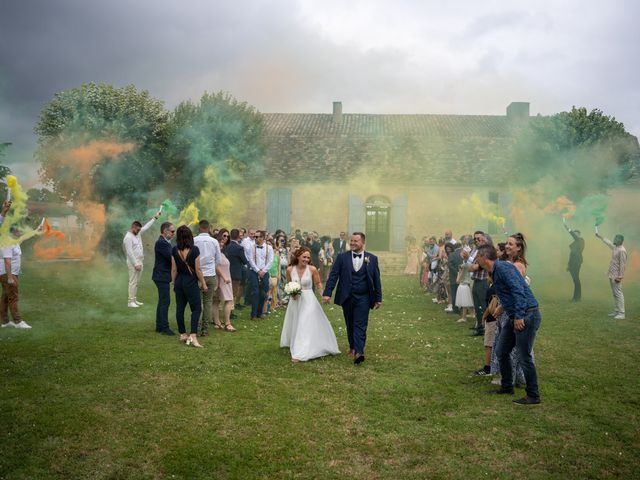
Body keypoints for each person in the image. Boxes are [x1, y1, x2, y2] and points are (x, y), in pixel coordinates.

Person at [475, 244, 541, 405]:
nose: (476, 259)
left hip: (527, 315)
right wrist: (502, 306)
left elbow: (519, 291)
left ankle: (533, 395)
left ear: (484, 257)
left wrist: (519, 316)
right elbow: (509, 292)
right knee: (501, 350)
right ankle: (506, 386)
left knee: (524, 355)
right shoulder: (496, 271)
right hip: (514, 315)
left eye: (478, 256)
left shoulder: (503, 268)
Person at [323, 232, 382, 365]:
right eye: (352, 241)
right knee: (350, 322)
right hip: (347, 296)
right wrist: (327, 293)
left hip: (364, 297)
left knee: (360, 324)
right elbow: (333, 275)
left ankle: (359, 352)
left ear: (363, 243)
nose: (353, 243)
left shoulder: (372, 258)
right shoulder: (342, 257)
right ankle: (352, 346)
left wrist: (378, 297)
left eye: (356, 241)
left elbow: (376, 279)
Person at [280, 247, 340, 362]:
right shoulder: (290, 269)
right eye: (304, 257)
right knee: (297, 321)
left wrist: (323, 295)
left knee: (304, 322)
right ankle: (296, 342)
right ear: (298, 256)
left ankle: (300, 351)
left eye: (308, 257)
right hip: (295, 301)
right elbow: (288, 284)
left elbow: (318, 284)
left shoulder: (312, 269)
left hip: (309, 300)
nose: (306, 259)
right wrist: (291, 293)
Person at [171, 225, 207, 348]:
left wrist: (174, 283)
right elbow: (197, 269)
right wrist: (203, 283)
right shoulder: (195, 249)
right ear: (190, 236)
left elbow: (174, 269)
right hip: (190, 281)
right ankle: (193, 336)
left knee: (180, 308)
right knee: (196, 309)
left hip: (179, 281)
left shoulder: (174, 249)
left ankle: (182, 334)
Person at [123, 211, 160, 307]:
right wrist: (136, 264)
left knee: (137, 282)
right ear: (133, 227)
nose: (139, 231)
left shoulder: (137, 233)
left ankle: (134, 300)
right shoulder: (128, 237)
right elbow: (129, 252)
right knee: (133, 282)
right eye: (138, 229)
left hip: (140, 261)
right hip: (133, 263)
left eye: (140, 229)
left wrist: (155, 218)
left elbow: (146, 227)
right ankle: (130, 302)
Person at [193, 219, 221, 336]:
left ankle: (197, 328)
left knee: (197, 303)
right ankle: (205, 330)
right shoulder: (214, 241)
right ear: (209, 228)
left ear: (200, 228)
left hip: (197, 275)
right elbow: (218, 259)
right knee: (208, 302)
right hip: (210, 275)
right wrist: (211, 267)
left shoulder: (194, 240)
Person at [0, 226, 31, 329]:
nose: (21, 231)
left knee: (5, 297)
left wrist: (36, 231)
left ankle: (5, 322)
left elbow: (24, 237)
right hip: (8, 274)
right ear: (13, 232)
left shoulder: (14, 241)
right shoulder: (8, 243)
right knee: (13, 297)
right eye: (19, 230)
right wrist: (9, 278)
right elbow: (7, 261)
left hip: (9, 273)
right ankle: (18, 322)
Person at [596, 231, 627, 320]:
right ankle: (617, 311)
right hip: (611, 274)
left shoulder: (622, 250)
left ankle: (622, 313)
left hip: (617, 275)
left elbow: (622, 265)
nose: (614, 239)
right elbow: (608, 243)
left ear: (620, 240)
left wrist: (620, 276)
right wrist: (600, 236)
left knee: (618, 293)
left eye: (616, 238)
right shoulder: (616, 247)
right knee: (615, 293)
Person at [151, 222, 175, 335]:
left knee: (162, 301)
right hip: (162, 276)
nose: (173, 233)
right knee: (165, 301)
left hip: (161, 275)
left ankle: (159, 326)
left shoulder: (164, 242)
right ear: (165, 231)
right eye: (172, 231)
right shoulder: (162, 243)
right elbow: (172, 258)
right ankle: (164, 327)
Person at [246, 230, 274, 320]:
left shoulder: (269, 248)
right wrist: (258, 271)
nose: (256, 238)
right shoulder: (251, 247)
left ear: (263, 238)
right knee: (255, 292)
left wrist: (264, 271)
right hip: (254, 271)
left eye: (258, 237)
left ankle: (260, 312)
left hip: (265, 272)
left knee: (263, 292)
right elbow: (250, 260)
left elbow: (270, 261)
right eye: (255, 237)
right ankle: (253, 314)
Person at [213, 229, 236, 331]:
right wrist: (224, 277)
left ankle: (217, 322)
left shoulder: (222, 252)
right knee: (228, 301)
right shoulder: (215, 249)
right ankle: (227, 323)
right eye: (224, 235)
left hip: (223, 279)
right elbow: (215, 266)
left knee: (216, 301)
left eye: (227, 236)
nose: (225, 238)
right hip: (222, 279)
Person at [226, 229, 248, 311]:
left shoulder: (226, 246)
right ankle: (230, 311)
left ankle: (227, 310)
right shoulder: (239, 248)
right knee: (233, 294)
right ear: (238, 236)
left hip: (226, 272)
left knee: (227, 293)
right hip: (236, 273)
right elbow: (244, 260)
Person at [564, 221, 584, 302]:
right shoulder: (574, 243)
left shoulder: (581, 240)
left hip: (577, 262)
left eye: (576, 234)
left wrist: (567, 228)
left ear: (579, 235)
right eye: (574, 234)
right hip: (572, 263)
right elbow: (571, 255)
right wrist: (569, 266)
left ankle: (577, 298)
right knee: (575, 280)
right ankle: (576, 298)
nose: (575, 235)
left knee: (576, 280)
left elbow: (573, 235)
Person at [455, 246, 473, 323]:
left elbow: (460, 276)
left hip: (465, 282)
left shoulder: (467, 263)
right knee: (468, 299)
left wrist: (458, 276)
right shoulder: (465, 262)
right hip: (466, 281)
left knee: (465, 301)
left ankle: (464, 317)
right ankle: (472, 313)